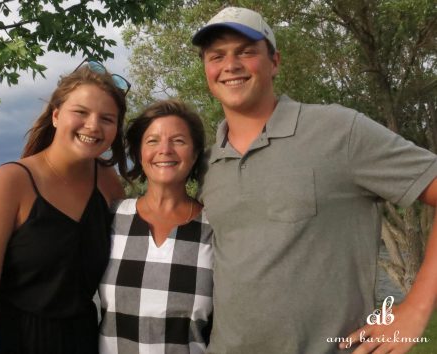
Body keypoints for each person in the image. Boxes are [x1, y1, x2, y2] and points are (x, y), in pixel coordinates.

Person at [191, 6, 437, 354]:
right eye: (217, 56)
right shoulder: (207, 162)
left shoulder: (339, 131)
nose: (230, 65)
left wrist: (415, 310)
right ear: (206, 70)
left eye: (246, 52)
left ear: (274, 62)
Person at [0, 61, 129, 354]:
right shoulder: (8, 184)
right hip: (10, 340)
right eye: (81, 112)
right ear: (56, 115)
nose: (93, 125)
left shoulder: (108, 184)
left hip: (80, 341)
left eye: (107, 118)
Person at [98, 99, 213, 353]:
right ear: (139, 153)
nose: (165, 150)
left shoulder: (215, 230)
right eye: (153, 141)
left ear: (195, 154)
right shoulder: (112, 218)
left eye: (179, 141)